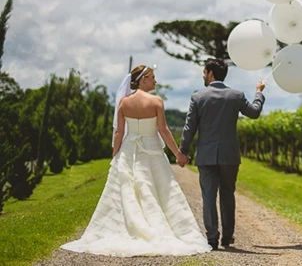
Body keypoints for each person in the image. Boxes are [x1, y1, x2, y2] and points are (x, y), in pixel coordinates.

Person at [61, 65, 211, 257]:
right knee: (160, 190)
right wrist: (178, 154)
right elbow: (163, 131)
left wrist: (115, 154)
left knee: (128, 190)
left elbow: (119, 132)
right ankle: (157, 228)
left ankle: (131, 227)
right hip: (152, 151)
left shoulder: (123, 103)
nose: (155, 81)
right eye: (152, 77)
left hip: (129, 151)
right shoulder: (156, 101)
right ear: (143, 80)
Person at [179, 58, 265, 250]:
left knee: (208, 196)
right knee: (228, 195)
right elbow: (254, 112)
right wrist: (258, 93)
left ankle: (212, 238)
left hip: (206, 155)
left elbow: (189, 128)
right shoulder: (236, 95)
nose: (203, 75)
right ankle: (227, 237)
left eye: (204, 72)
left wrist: (182, 151)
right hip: (229, 155)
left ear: (210, 73)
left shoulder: (198, 97)